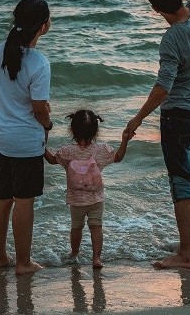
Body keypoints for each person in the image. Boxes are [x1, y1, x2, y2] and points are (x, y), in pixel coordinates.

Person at [124, 0, 190, 270]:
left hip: (177, 116)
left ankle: (186, 255)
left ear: (154, 8)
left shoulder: (172, 38)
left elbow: (164, 87)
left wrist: (137, 119)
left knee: (182, 184)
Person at [0, 0, 53, 275]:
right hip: (25, 142)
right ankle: (24, 263)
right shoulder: (39, 62)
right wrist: (48, 125)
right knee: (24, 201)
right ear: (42, 26)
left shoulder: (0, 50)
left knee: (2, 198)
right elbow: (39, 109)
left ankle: (0, 257)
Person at [44, 110, 130, 269]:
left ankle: (74, 253)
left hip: (76, 201)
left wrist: (42, 140)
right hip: (96, 199)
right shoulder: (101, 150)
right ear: (96, 131)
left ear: (72, 130)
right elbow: (118, 157)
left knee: (76, 227)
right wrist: (124, 140)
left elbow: (51, 159)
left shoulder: (67, 151)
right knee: (96, 227)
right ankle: (96, 258)